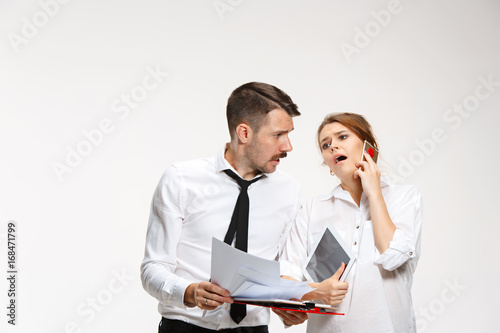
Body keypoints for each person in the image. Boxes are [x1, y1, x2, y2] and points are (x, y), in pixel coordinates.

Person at [141, 82, 310, 332]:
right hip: (186, 326)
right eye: (278, 135)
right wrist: (188, 292)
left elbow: (287, 266)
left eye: (289, 134)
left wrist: (288, 304)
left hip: (253, 329)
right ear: (244, 133)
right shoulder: (181, 179)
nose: (288, 146)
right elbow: (153, 268)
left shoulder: (289, 191)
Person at [282, 112, 423, 332]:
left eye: (342, 137)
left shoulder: (404, 197)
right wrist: (314, 292)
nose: (333, 146)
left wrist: (374, 193)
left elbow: (393, 257)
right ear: (328, 165)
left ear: (369, 146)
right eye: (325, 144)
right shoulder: (313, 209)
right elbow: (287, 278)